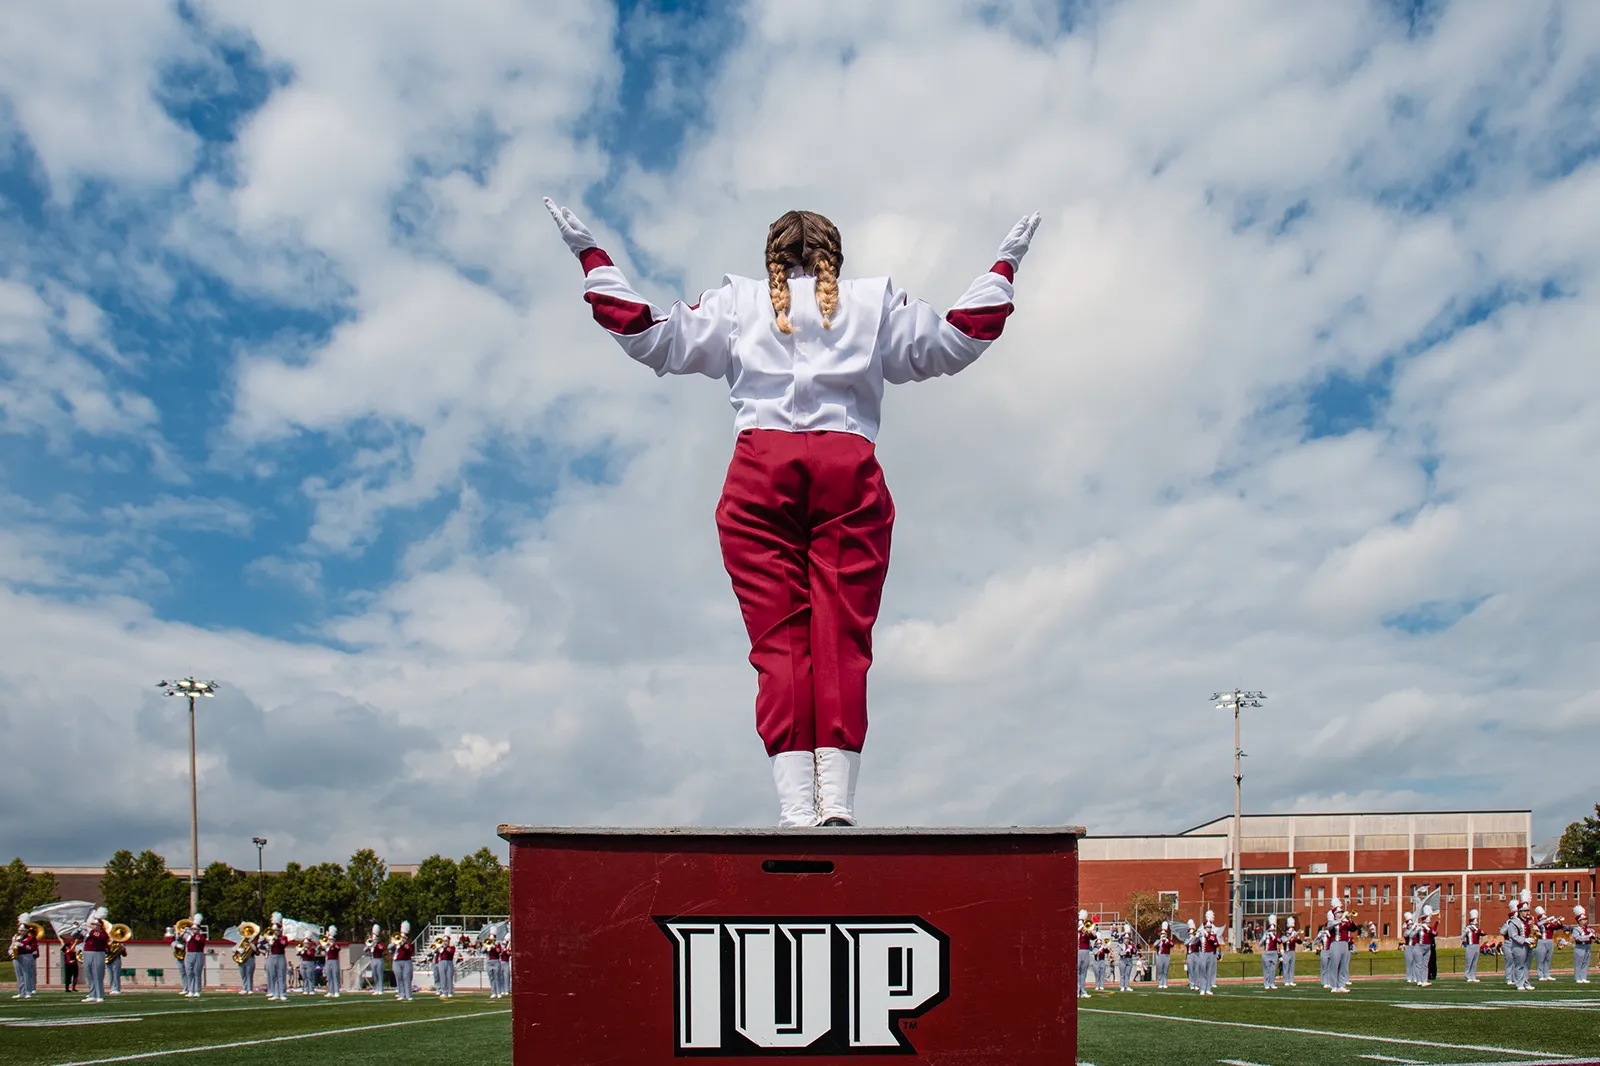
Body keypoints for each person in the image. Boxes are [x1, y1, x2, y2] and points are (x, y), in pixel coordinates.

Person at [548, 199, 1039, 827]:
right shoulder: (873, 303)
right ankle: (838, 801)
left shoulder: (736, 303)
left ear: (771, 259)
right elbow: (956, 341)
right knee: (843, 638)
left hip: (759, 471)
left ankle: (795, 808)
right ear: (837, 257)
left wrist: (591, 256)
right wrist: (1004, 265)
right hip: (848, 470)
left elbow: (648, 336)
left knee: (778, 642)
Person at [80, 907, 111, 1003]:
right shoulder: (90, 932)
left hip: (98, 953)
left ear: (99, 926)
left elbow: (100, 937)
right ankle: (92, 994)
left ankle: (100, 995)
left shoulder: (102, 933)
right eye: (92, 924)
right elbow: (76, 936)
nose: (93, 926)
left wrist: (90, 931)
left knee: (97, 974)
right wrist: (80, 929)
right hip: (87, 952)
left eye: (95, 924)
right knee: (89, 974)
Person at [11, 914, 40, 999]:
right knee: (19, 975)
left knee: (26, 974)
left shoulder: (31, 938)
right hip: (17, 956)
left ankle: (28, 992)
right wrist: (11, 951)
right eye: (20, 930)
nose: (21, 932)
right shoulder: (16, 937)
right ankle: (21, 992)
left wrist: (22, 945)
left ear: (26, 931)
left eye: (23, 930)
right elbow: (11, 946)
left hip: (26, 956)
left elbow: (32, 948)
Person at [180, 913, 206, 998]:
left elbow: (199, 941)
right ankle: (190, 990)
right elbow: (181, 939)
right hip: (189, 954)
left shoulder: (201, 936)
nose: (193, 930)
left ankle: (197, 990)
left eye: (194, 929)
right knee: (189, 972)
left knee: (197, 973)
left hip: (198, 954)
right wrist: (183, 932)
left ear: (198, 930)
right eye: (192, 929)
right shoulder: (189, 936)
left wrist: (192, 934)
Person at [1533, 906, 1562, 981]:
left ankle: (1547, 974)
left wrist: (1558, 921)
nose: (1546, 920)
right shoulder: (1538, 925)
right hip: (1541, 941)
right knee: (1540, 959)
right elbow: (1536, 926)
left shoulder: (1549, 924)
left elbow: (1558, 927)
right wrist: (1545, 921)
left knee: (1548, 959)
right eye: (1543, 919)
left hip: (1549, 941)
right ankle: (1540, 975)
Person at [265, 916, 290, 1001]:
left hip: (281, 956)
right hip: (272, 956)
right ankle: (275, 993)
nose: (275, 932)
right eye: (274, 931)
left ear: (280, 931)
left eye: (276, 930)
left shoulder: (283, 938)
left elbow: (284, 944)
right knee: (273, 975)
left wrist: (277, 939)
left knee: (281, 975)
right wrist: (269, 941)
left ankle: (282, 993)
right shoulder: (270, 938)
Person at [393, 922, 415, 1001]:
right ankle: (401, 994)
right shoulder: (395, 943)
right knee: (399, 978)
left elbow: (410, 950)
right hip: (396, 961)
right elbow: (389, 948)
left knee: (407, 978)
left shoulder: (408, 943)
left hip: (406, 961)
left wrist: (403, 943)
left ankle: (408, 995)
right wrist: (395, 943)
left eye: (404, 937)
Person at [1258, 914, 1280, 990]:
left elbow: (1279, 941)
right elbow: (1260, 944)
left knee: (1273, 969)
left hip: (1274, 953)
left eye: (1274, 930)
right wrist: (1263, 939)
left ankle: (1272, 983)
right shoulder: (1266, 935)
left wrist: (1274, 936)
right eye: (1271, 930)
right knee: (1266, 969)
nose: (1272, 932)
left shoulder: (1275, 936)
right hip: (1266, 953)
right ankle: (1266, 983)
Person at [1572, 905, 1593, 983]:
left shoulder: (1588, 928)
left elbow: (1592, 936)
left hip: (1588, 946)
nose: (1585, 921)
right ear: (1579, 921)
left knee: (1586, 962)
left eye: (1585, 919)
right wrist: (1589, 936)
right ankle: (1578, 978)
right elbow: (1577, 938)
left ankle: (1584, 977)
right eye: (1583, 920)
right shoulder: (1576, 929)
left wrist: (1594, 936)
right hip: (1580, 947)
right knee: (1578, 963)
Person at [1075, 912, 1094, 999]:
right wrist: (1080, 928)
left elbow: (1094, 937)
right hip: (1078, 951)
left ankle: (1083, 991)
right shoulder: (1077, 930)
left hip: (1086, 951)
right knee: (1077, 972)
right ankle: (1077, 990)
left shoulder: (1086, 932)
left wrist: (1088, 930)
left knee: (1083, 972)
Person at [1153, 921, 1176, 989]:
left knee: (1165, 970)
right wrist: (1160, 940)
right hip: (1159, 956)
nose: (1163, 935)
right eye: (1162, 934)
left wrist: (1166, 940)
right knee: (1160, 970)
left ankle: (1165, 983)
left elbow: (1172, 945)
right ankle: (1160, 983)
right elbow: (1155, 945)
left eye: (1164, 934)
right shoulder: (1158, 941)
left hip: (1166, 956)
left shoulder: (1168, 941)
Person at [1462, 908, 1482, 982]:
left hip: (1476, 946)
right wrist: (1466, 932)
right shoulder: (1468, 928)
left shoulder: (1477, 929)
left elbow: (1483, 933)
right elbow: (1462, 937)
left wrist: (1477, 930)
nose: (1477, 923)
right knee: (1469, 962)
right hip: (1470, 945)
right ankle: (1467, 975)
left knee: (1474, 962)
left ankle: (1473, 976)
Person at [366, 924, 386, 995]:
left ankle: (381, 989)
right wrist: (369, 945)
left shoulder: (380, 944)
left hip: (379, 959)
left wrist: (375, 945)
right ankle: (376, 989)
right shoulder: (371, 943)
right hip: (373, 960)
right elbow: (364, 950)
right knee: (375, 975)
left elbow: (382, 948)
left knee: (380, 975)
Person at [1281, 917, 1300, 986]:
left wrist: (1297, 936)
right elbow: (1284, 941)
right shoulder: (1283, 936)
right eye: (1288, 932)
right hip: (1286, 952)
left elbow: (1299, 942)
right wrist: (1291, 937)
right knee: (1286, 966)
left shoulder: (1293, 936)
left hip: (1292, 951)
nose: (1289, 933)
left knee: (1292, 966)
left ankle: (1291, 980)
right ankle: (1286, 981)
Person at [323, 926, 342, 997]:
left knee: (335, 976)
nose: (330, 941)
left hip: (334, 961)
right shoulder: (327, 946)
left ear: (333, 940)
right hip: (328, 961)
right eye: (329, 940)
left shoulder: (336, 945)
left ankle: (336, 991)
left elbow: (338, 949)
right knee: (329, 977)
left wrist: (332, 945)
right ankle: (330, 991)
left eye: (331, 940)